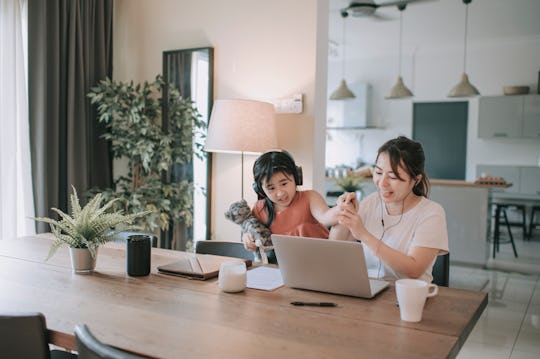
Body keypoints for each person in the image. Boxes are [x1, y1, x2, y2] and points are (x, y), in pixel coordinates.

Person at [330, 136, 448, 283]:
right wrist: (344, 212)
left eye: (393, 177)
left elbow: (414, 270)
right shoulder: (372, 202)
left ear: (416, 180)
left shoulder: (432, 213)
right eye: (378, 173)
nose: (382, 183)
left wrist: (364, 235)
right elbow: (335, 247)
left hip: (407, 297)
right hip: (367, 292)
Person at [242, 150, 355, 257]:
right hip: (287, 266)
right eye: (271, 188)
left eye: (284, 184)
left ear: (296, 178)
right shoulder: (260, 208)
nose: (280, 193)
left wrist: (343, 206)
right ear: (260, 189)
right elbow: (251, 233)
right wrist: (248, 239)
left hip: (322, 258)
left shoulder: (310, 197)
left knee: (343, 221)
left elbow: (326, 217)